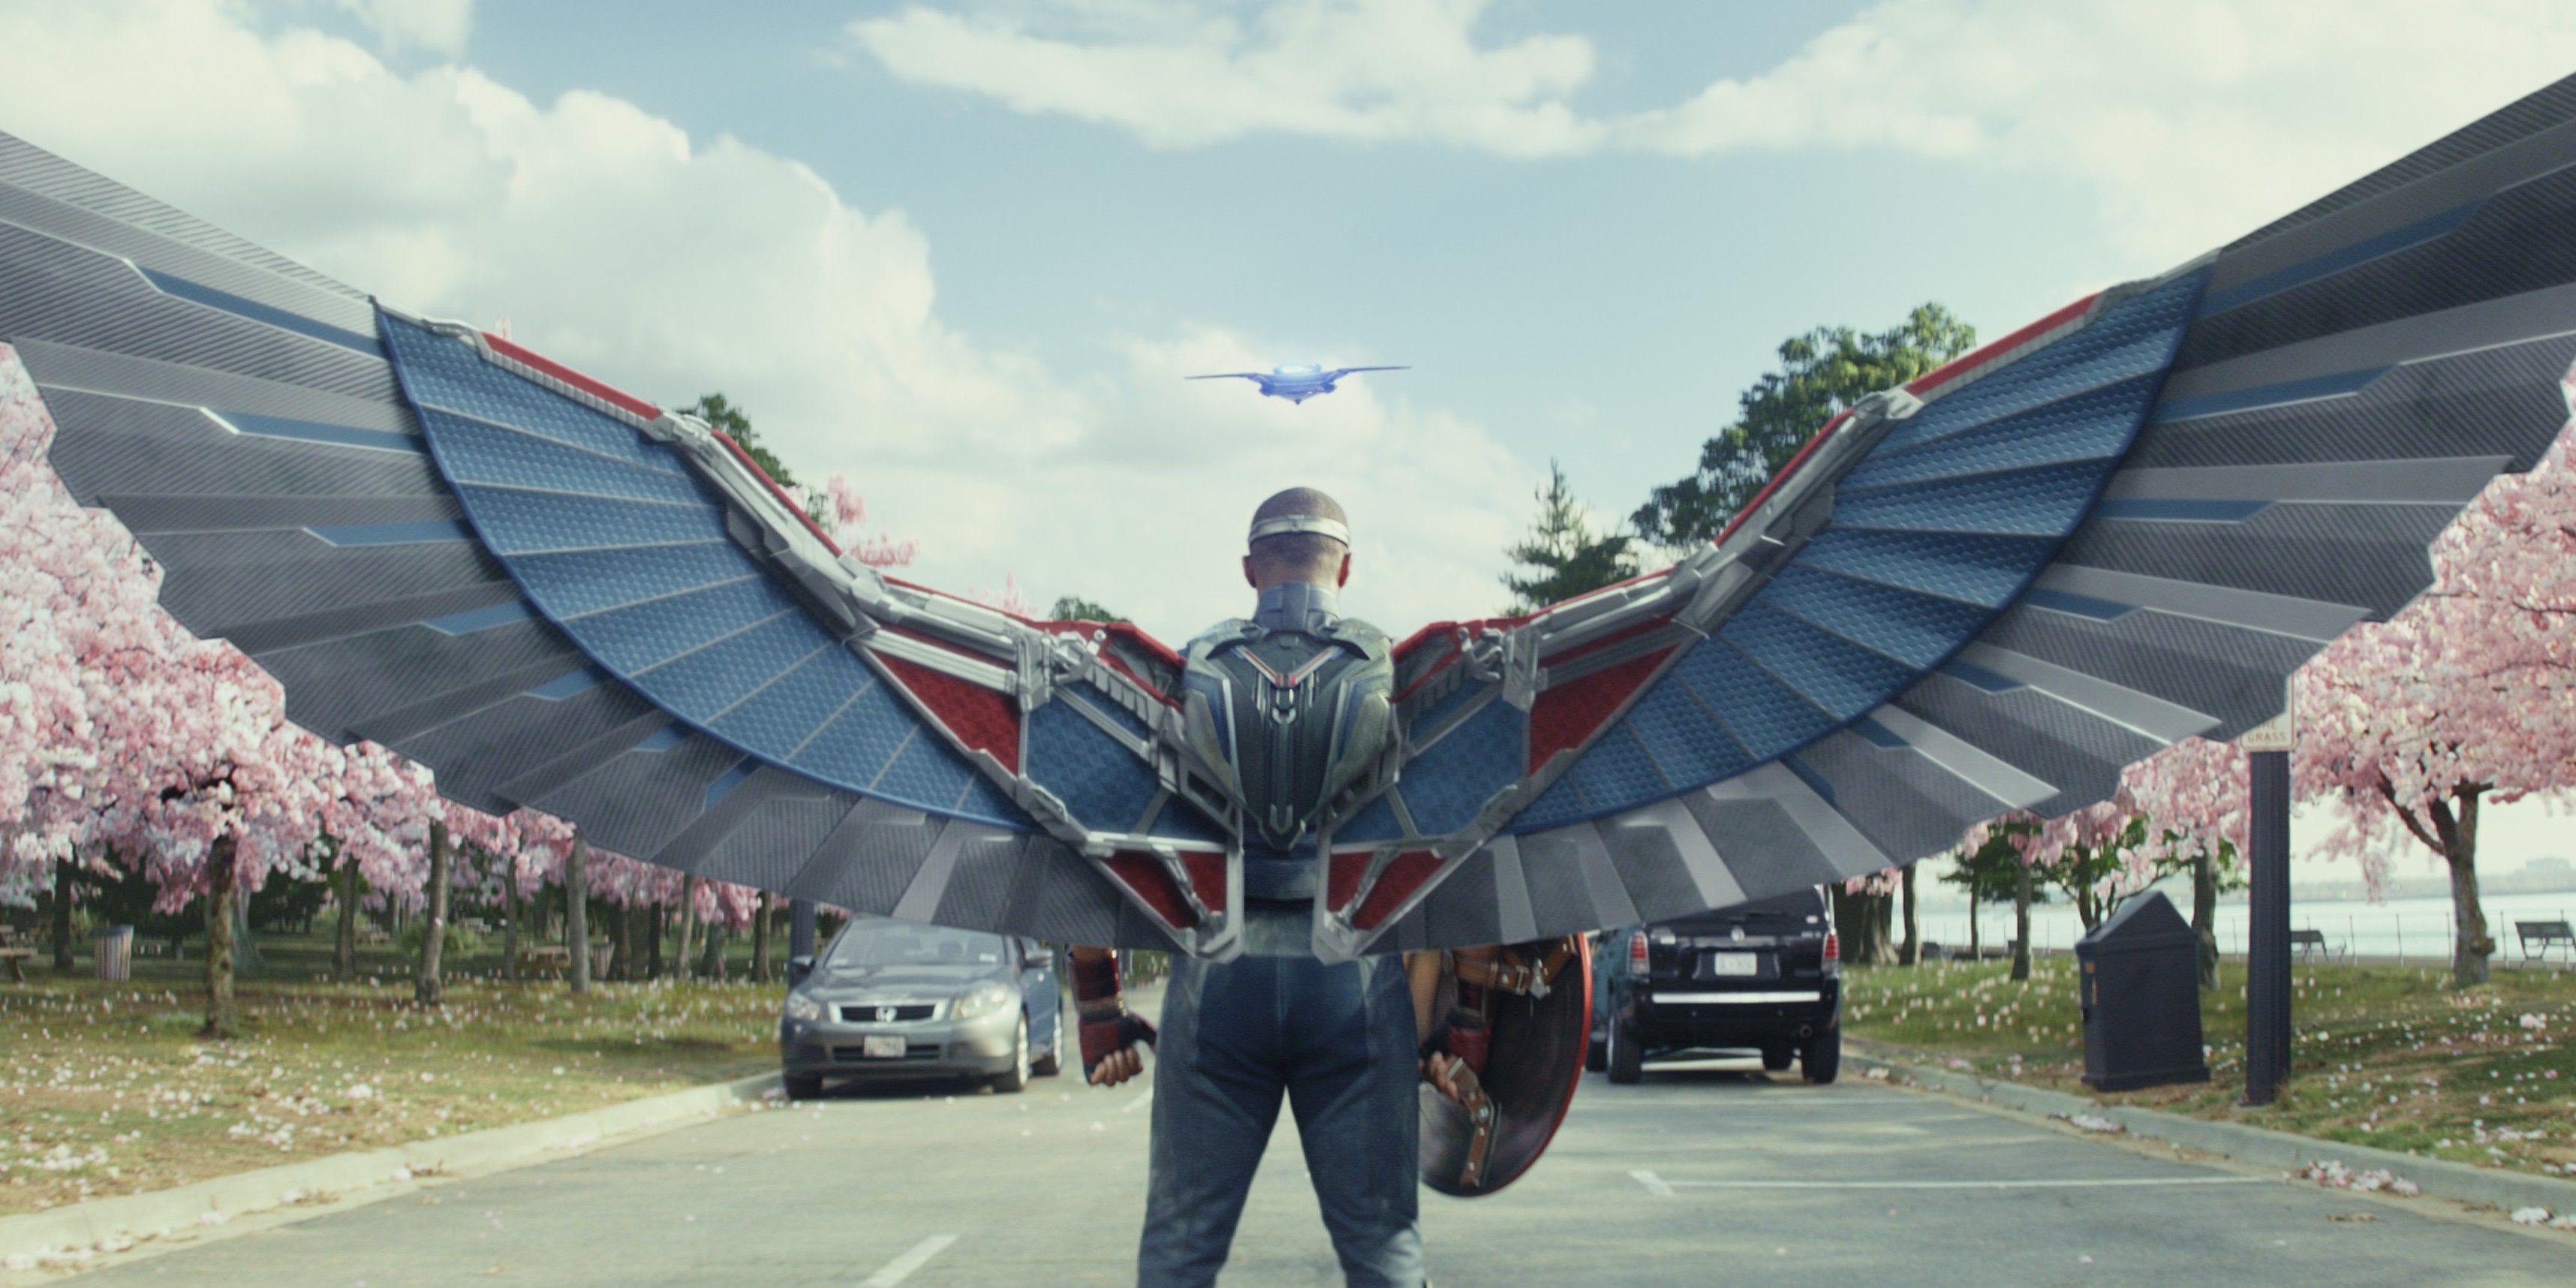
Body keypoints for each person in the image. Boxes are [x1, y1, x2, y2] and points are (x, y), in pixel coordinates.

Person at [1070, 488, 1474, 1288]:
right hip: (1354, 980)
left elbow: (1094, 835)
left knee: (1179, 1251)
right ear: (1347, 569)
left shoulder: (1189, 675)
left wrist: (1097, 1008)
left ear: (1250, 569)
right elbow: (1463, 849)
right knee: (1385, 1247)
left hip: (1218, 976)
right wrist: (1458, 1025)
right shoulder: (1396, 675)